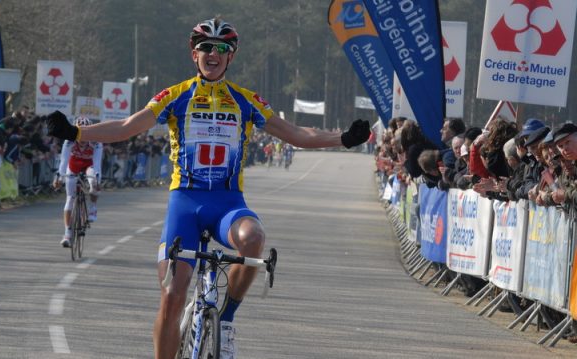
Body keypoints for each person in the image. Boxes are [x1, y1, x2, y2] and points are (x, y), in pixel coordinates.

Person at [46, 17, 370, 359]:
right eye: (205, 47)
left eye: (222, 48)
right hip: (184, 203)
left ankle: (226, 321)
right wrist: (77, 133)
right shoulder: (176, 95)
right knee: (172, 295)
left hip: (227, 204)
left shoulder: (246, 100)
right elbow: (128, 126)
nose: (213, 53)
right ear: (193, 53)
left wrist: (344, 139)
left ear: (231, 56)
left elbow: (294, 133)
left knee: (254, 240)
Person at [53, 116, 103, 248]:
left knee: (93, 184)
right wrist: (58, 178)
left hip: (90, 166)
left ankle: (92, 207)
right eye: (79, 131)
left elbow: (97, 164)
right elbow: (63, 162)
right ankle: (67, 234)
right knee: (69, 198)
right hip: (73, 165)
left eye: (85, 132)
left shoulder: (96, 142)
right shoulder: (69, 140)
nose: (82, 136)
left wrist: (96, 180)